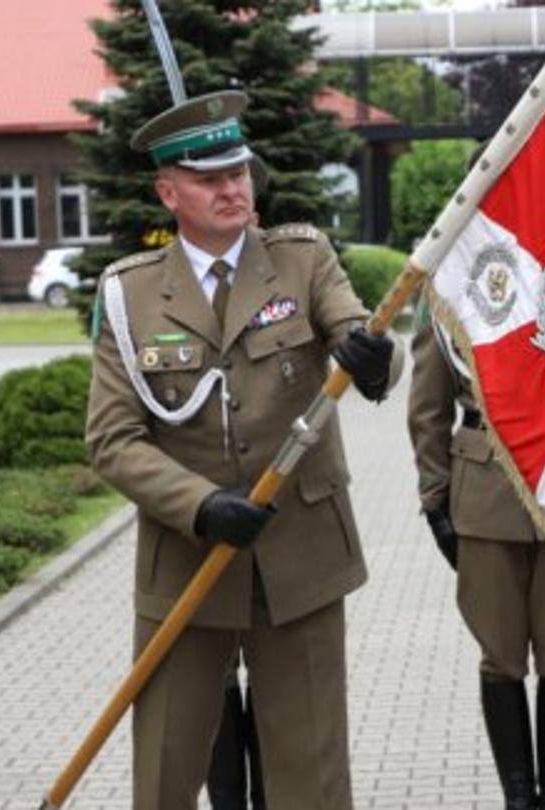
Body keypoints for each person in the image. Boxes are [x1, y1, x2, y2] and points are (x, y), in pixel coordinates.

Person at [86, 90, 400, 809]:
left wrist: (376, 358)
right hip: (187, 560)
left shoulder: (302, 260)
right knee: (165, 773)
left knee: (313, 779)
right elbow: (111, 439)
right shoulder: (131, 295)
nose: (231, 188)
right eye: (208, 178)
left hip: (302, 558)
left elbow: (357, 330)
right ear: (169, 193)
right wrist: (200, 506)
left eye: (238, 173)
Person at [408, 142, 545, 810]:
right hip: (484, 494)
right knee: (500, 654)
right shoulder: (449, 285)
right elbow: (428, 406)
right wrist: (435, 499)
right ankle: (519, 794)